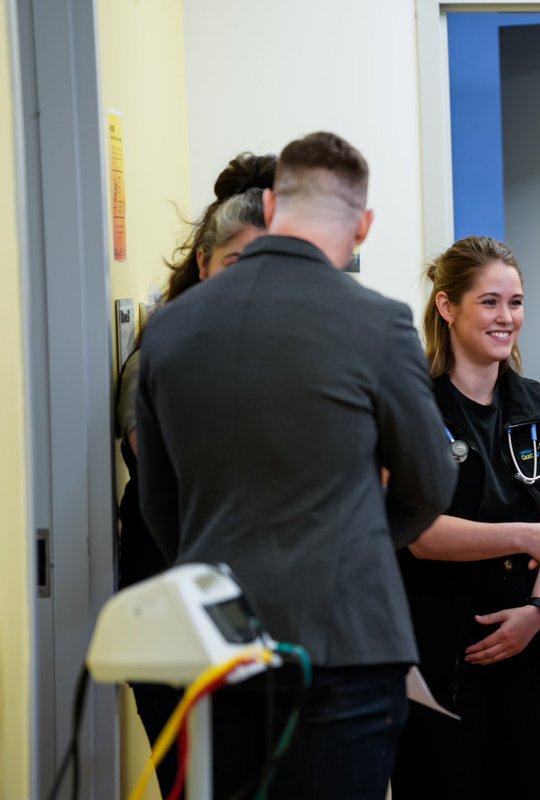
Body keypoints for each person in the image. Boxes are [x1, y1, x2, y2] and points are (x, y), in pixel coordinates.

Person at [136, 131, 456, 798]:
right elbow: (431, 481)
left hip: (218, 646)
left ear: (274, 206)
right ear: (362, 226)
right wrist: (359, 545)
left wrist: (215, 569)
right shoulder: (377, 321)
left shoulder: (173, 325)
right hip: (346, 645)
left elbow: (159, 502)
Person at [392, 236, 540, 799]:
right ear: (446, 306)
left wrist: (538, 608)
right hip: (440, 649)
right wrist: (530, 536)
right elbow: (421, 534)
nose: (507, 317)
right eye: (489, 302)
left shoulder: (539, 405)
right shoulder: (413, 407)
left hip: (530, 644)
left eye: (516, 302)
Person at [114, 150, 275, 792]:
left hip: (268, 619)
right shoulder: (160, 352)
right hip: (175, 607)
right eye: (237, 264)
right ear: (204, 264)